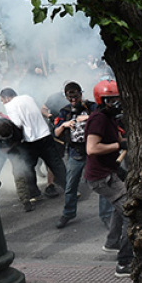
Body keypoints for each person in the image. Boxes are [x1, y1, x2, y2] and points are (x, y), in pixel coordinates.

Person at [84, 79, 132, 277]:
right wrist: (118, 147)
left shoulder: (110, 117)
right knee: (132, 212)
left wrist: (127, 141)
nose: (116, 103)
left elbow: (117, 140)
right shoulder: (99, 119)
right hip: (102, 177)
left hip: (111, 170)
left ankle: (112, 242)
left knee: (120, 205)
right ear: (101, 100)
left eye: (117, 99)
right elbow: (92, 148)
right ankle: (124, 262)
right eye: (111, 100)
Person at [53, 82, 97, 229]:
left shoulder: (91, 107)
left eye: (75, 97)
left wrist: (88, 118)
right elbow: (56, 132)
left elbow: (103, 118)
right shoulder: (65, 111)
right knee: (70, 186)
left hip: (94, 151)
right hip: (75, 152)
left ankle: (109, 214)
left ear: (80, 94)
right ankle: (68, 212)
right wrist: (65, 124)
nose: (73, 101)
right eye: (70, 98)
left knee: (104, 182)